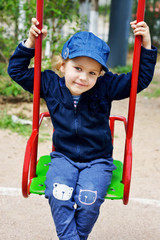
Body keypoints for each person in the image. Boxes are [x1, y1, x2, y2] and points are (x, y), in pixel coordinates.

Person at [8, 18, 157, 240]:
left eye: (92, 73)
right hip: (63, 157)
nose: (83, 78)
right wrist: (30, 42)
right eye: (77, 68)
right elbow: (17, 72)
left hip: (98, 160)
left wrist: (146, 45)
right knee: (58, 194)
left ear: (100, 75)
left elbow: (140, 80)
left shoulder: (105, 88)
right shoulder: (49, 83)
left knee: (89, 199)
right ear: (62, 65)